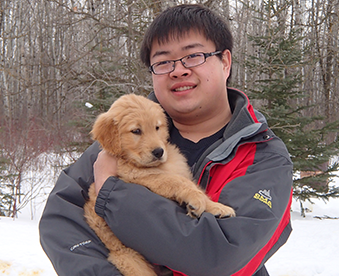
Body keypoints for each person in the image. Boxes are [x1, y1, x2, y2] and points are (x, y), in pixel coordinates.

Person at [39, 4, 293, 276]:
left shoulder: (265, 157)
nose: (178, 71)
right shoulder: (122, 135)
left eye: (194, 56)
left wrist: (111, 193)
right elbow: (61, 221)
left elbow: (220, 256)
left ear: (225, 62)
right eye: (163, 62)